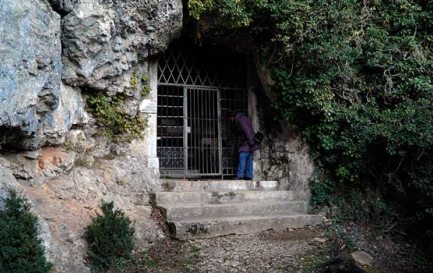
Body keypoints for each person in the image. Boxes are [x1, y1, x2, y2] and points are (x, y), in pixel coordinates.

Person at [229, 111, 258, 180]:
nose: (231, 121)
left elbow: (247, 131)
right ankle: (249, 175)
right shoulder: (243, 118)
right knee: (249, 158)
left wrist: (251, 141)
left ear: (232, 117)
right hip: (250, 142)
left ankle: (240, 175)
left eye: (230, 119)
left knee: (242, 156)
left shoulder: (241, 120)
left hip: (247, 142)